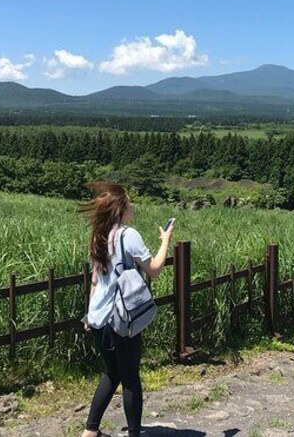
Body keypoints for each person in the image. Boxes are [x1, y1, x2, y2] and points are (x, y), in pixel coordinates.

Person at [78, 182, 173, 437]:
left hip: (99, 318)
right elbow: (154, 269)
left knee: (112, 374)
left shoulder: (99, 235)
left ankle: (90, 432)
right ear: (120, 208)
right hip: (121, 319)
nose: (133, 205)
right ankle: (133, 434)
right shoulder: (128, 235)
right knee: (130, 378)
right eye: (129, 202)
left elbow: (96, 280)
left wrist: (89, 313)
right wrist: (165, 241)